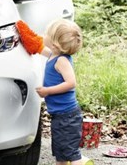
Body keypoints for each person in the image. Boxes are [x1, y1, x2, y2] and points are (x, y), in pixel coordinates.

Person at [36, 19, 84, 165]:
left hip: (67, 116)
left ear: (55, 43)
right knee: (61, 153)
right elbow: (38, 47)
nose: (44, 35)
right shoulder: (52, 54)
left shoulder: (61, 60)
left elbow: (71, 83)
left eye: (47, 34)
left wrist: (47, 91)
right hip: (60, 116)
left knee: (70, 153)